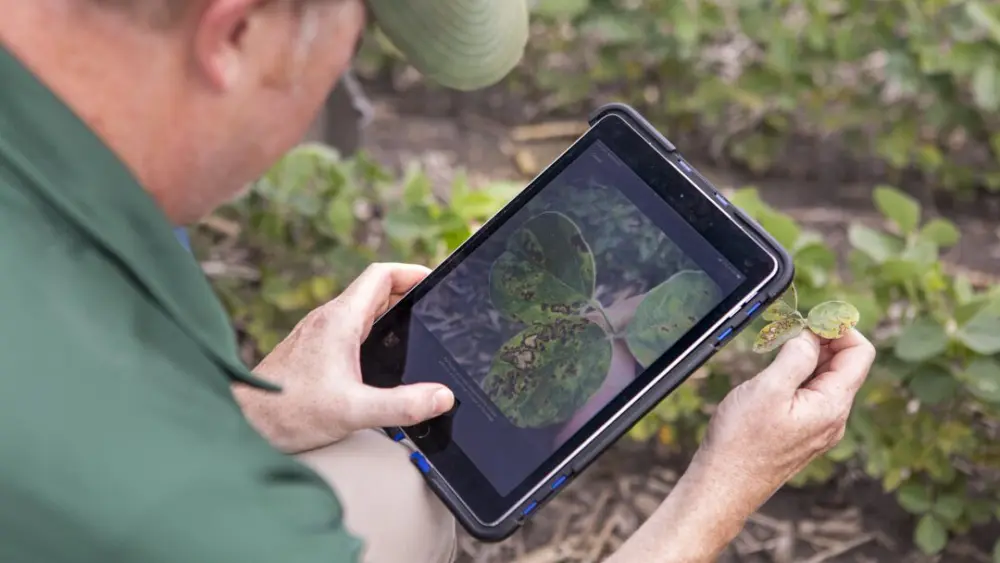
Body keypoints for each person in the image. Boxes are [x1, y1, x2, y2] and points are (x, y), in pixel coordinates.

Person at [0, 1, 876, 562]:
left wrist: (253, 413)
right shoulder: (180, 510)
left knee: (396, 485)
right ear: (233, 31)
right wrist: (722, 485)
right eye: (341, 63)